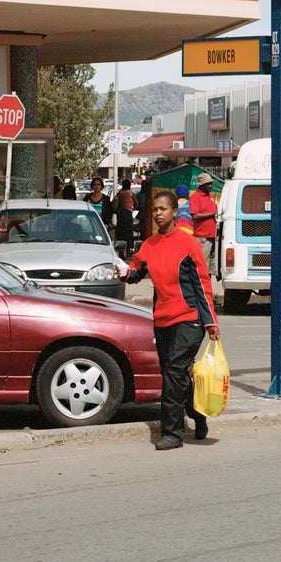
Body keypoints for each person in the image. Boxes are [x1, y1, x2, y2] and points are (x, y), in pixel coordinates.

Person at [111, 187, 219, 450]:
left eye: (163, 209)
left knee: (172, 371)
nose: (158, 213)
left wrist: (210, 321)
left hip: (190, 318)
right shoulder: (149, 245)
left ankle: (171, 432)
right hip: (162, 320)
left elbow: (203, 285)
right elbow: (136, 271)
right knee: (176, 373)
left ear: (174, 212)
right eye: (155, 210)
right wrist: (124, 272)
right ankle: (197, 413)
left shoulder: (188, 244)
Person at [107, 187, 141, 259]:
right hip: (128, 214)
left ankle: (121, 253)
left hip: (120, 215)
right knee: (129, 234)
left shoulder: (120, 193)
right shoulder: (131, 193)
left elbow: (114, 204)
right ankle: (128, 252)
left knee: (121, 233)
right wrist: (132, 208)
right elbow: (136, 203)